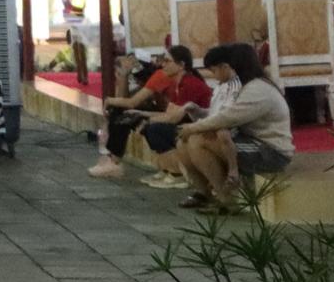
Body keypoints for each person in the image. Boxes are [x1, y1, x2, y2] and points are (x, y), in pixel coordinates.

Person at [175, 42, 294, 209]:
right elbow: (223, 115)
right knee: (185, 142)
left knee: (197, 141)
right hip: (252, 142)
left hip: (272, 152)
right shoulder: (248, 85)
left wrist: (194, 128)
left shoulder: (257, 89)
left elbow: (228, 117)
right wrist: (197, 121)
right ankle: (204, 193)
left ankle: (226, 200)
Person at [89, 44, 208, 182]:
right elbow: (126, 100)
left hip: (193, 123)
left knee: (146, 124)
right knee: (128, 115)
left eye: (167, 61)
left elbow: (131, 102)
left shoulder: (166, 77)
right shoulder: (174, 79)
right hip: (177, 116)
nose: (163, 64)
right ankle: (164, 168)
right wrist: (123, 77)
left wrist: (112, 101)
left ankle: (175, 172)